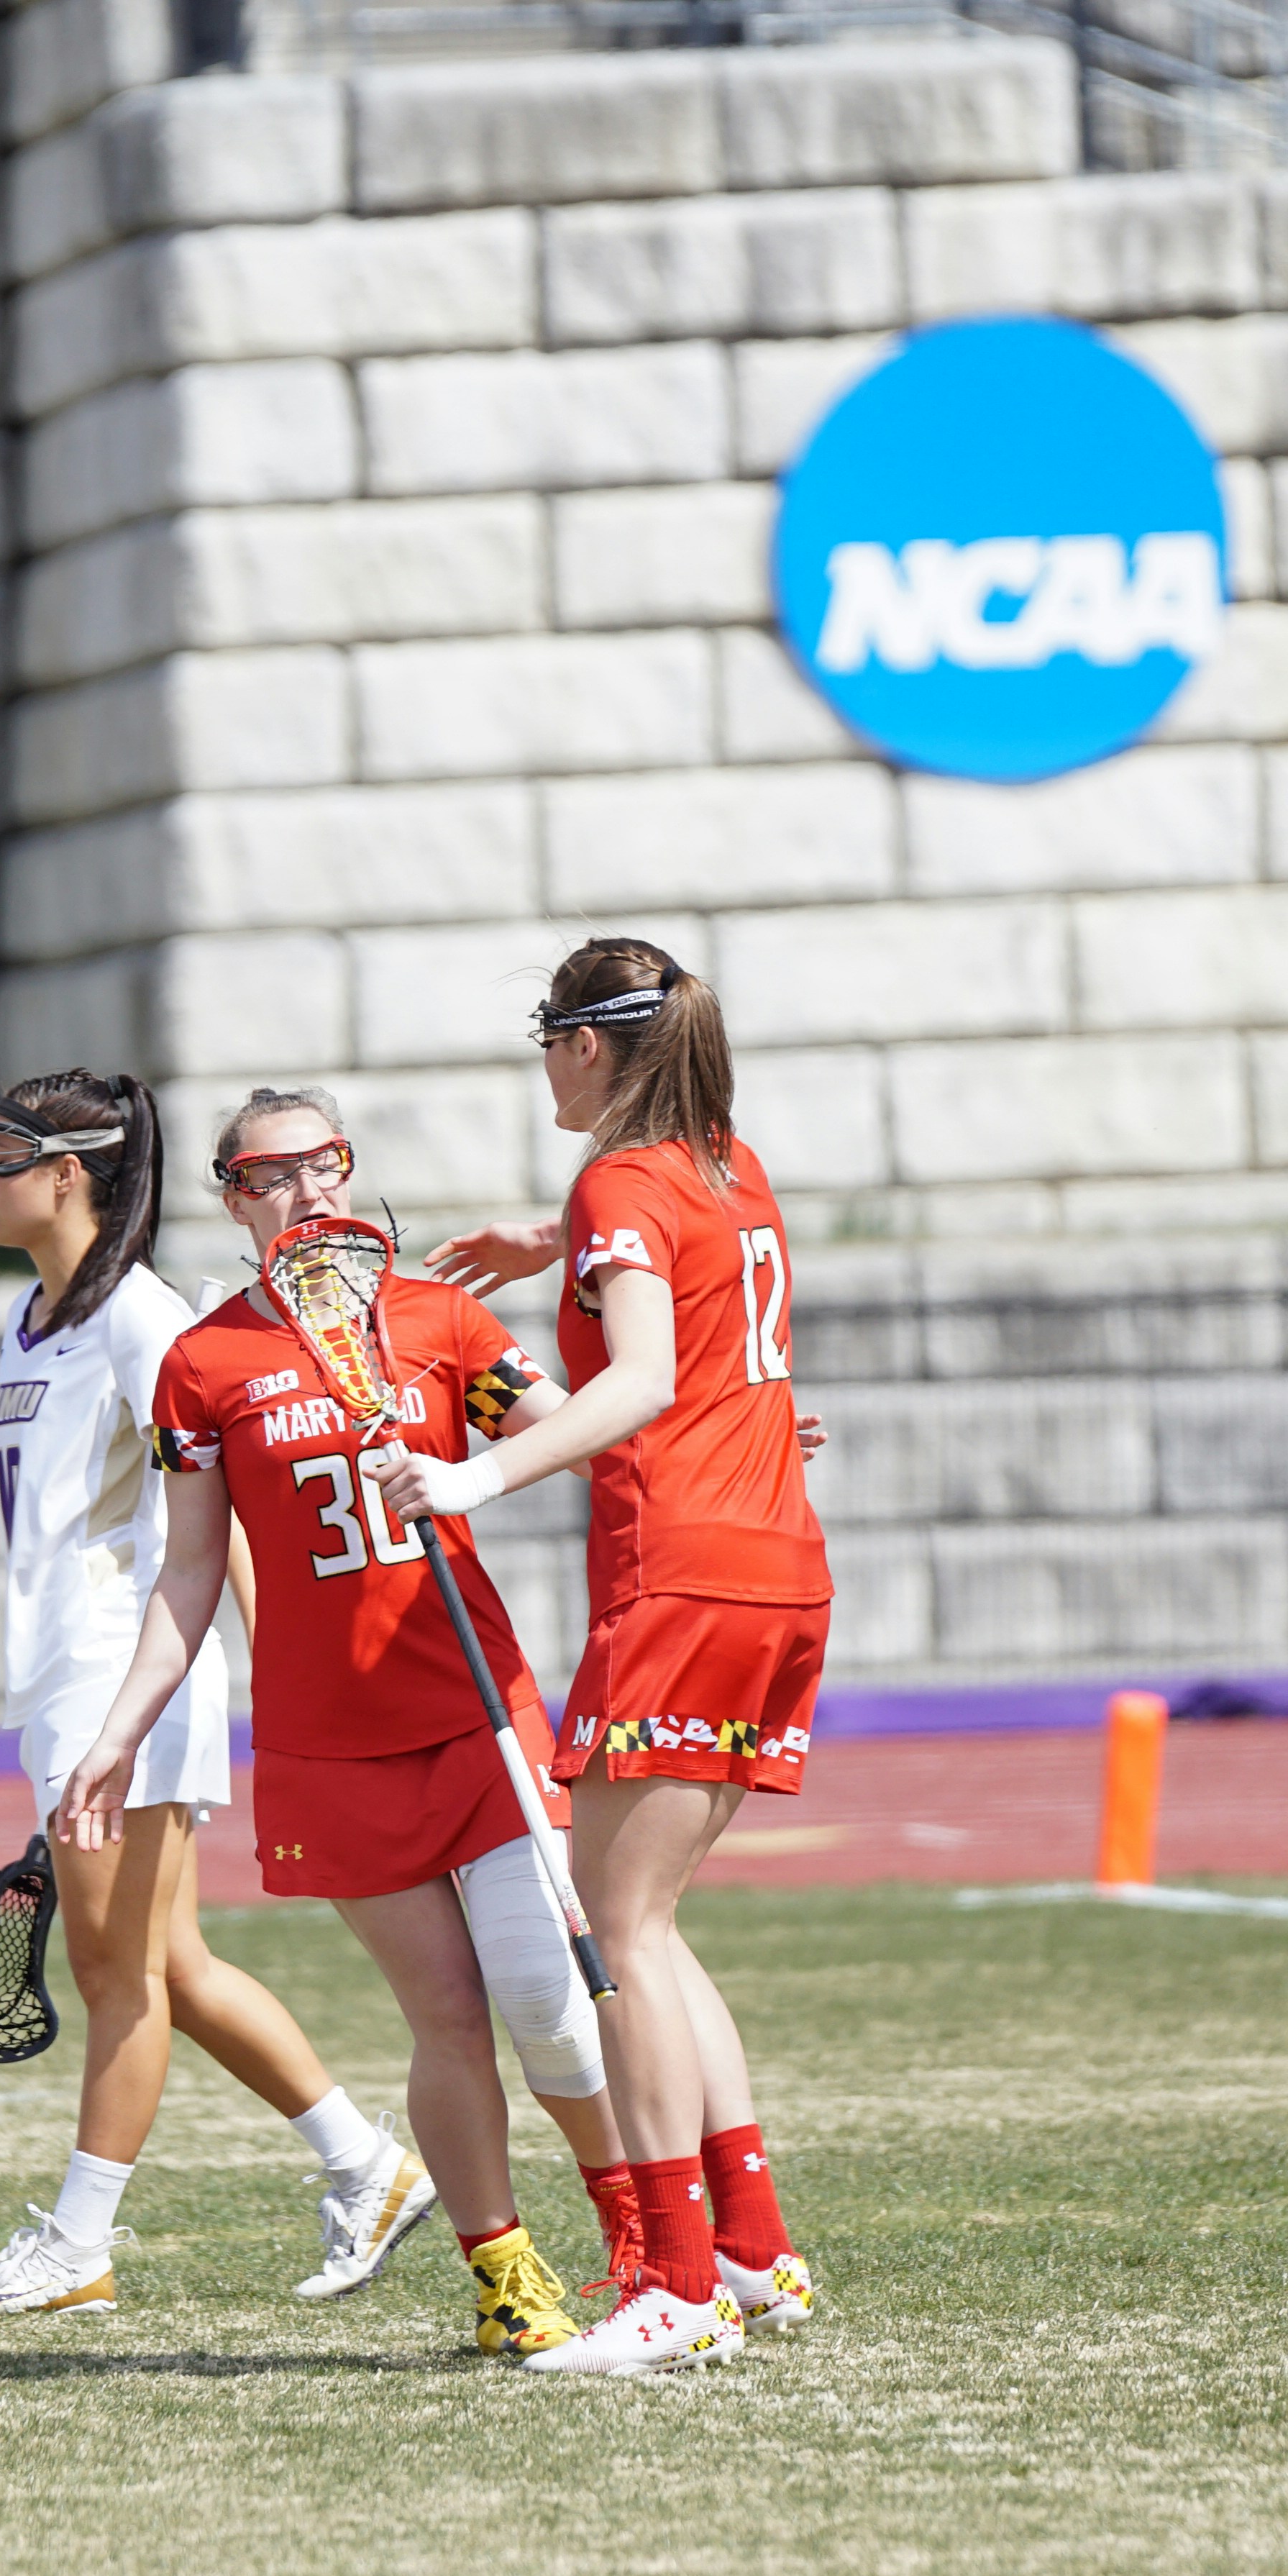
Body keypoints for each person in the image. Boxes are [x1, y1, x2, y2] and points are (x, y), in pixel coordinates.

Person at [60, 1089, 630, 2361]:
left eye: (327, 1166)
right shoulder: (204, 1365)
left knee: (545, 1996)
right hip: (332, 1740)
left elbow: (584, 1440)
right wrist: (115, 1733)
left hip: (477, 1707)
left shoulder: (439, 1317)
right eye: (275, 1175)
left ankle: (640, 2233)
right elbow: (192, 1572)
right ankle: (506, 2273)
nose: (308, 1192)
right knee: (444, 2016)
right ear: (232, 1194)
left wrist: (707, 1440)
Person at [0, 1071, 434, 2320]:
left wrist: (280, 1673)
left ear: (69, 1173)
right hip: (64, 1673)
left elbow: (223, 1511)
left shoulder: (143, 1321)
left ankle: (79, 2243)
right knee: (174, 1966)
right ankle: (368, 2168)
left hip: (123, 1676)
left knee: (119, 1978)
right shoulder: (36, 1315)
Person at [390, 936, 830, 2378]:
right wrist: (546, 1246)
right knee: (656, 1918)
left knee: (618, 1935)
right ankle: (754, 2251)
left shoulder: (623, 1182)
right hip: (778, 1564)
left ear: (591, 1041)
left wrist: (470, 1480)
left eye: (545, 1032)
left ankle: (676, 2277)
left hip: (685, 1570)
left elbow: (640, 1378)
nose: (540, 1059)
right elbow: (698, 1324)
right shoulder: (727, 1161)